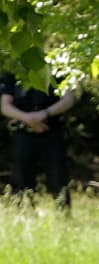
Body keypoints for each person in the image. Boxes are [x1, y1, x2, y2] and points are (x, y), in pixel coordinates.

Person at [1, 72, 77, 208]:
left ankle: (63, 216)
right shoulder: (15, 69)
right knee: (22, 179)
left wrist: (44, 114)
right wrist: (28, 118)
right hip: (23, 132)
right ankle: (24, 216)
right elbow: (5, 106)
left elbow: (69, 98)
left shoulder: (57, 66)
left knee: (58, 177)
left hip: (52, 130)